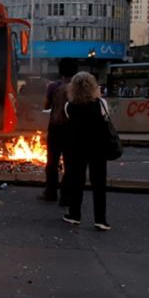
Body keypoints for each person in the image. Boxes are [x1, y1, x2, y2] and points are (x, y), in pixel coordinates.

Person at [62, 72, 111, 231]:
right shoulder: (101, 104)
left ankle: (74, 215)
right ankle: (100, 220)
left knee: (77, 181)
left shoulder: (69, 106)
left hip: (76, 148)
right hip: (98, 147)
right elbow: (106, 120)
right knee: (99, 183)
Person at [39, 57, 78, 204]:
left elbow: (46, 107)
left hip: (55, 128)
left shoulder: (53, 87)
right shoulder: (80, 87)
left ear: (60, 70)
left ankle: (50, 192)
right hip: (72, 129)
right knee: (70, 163)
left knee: (52, 162)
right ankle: (66, 195)